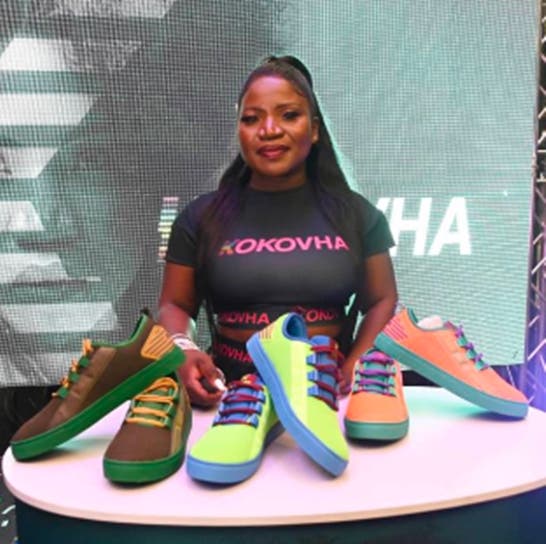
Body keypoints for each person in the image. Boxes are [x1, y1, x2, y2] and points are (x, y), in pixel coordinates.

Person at [158, 55, 398, 407]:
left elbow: (382, 299)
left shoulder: (357, 215)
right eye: (252, 119)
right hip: (231, 399)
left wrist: (357, 362)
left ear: (314, 129)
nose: (269, 130)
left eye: (288, 115)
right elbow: (174, 304)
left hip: (326, 397)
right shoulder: (200, 217)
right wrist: (183, 349)